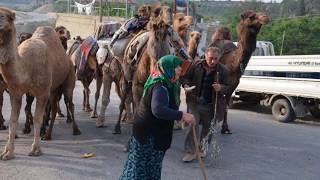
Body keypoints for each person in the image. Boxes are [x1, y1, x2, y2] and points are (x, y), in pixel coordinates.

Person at [119, 55, 196, 180]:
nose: (181, 70)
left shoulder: (167, 81)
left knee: (144, 169)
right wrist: (182, 115)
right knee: (141, 171)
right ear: (168, 68)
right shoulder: (160, 86)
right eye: (177, 67)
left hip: (149, 134)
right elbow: (158, 110)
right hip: (149, 137)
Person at [181, 47, 230, 162]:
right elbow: (185, 78)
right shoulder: (195, 65)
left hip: (211, 105)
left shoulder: (224, 71)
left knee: (207, 130)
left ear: (219, 58)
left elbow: (228, 88)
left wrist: (221, 88)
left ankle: (202, 150)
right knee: (192, 126)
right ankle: (190, 151)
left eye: (215, 59)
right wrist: (186, 85)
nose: (213, 61)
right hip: (194, 102)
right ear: (205, 56)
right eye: (210, 58)